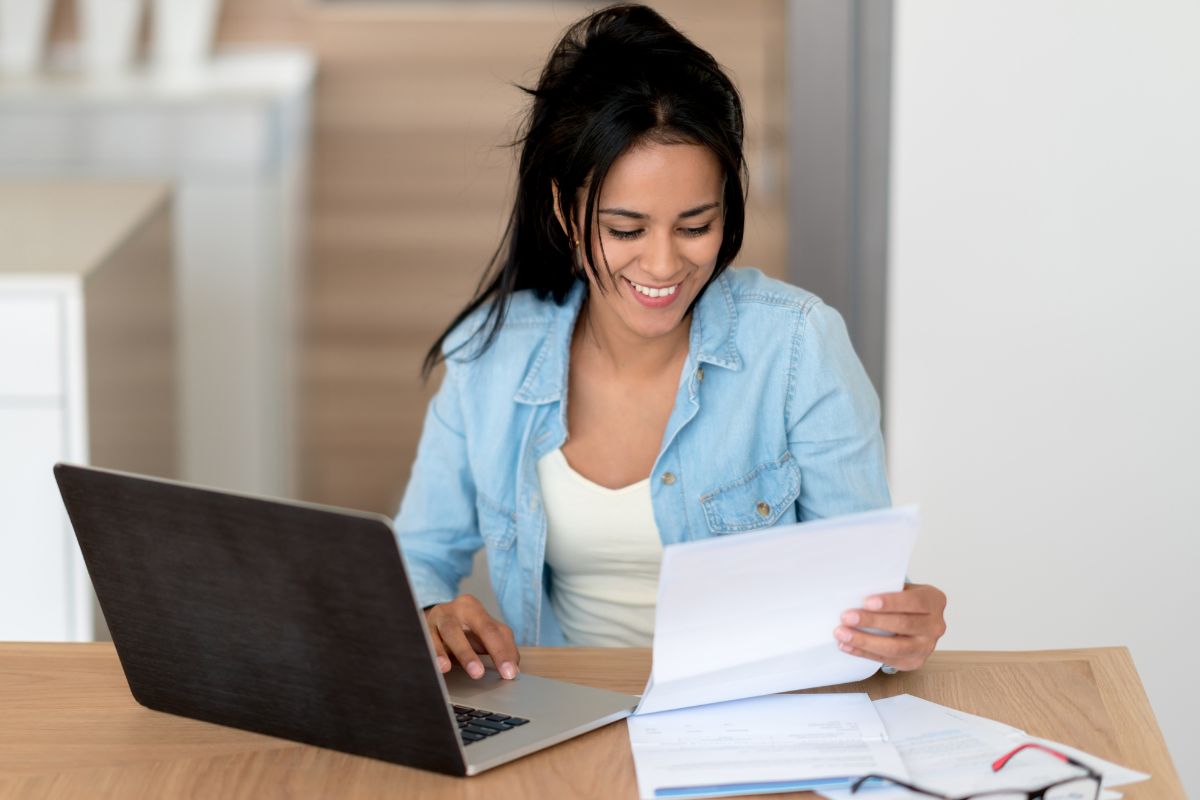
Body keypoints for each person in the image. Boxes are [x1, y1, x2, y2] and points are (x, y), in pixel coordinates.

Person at [395, 3, 946, 683]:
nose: (662, 266)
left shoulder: (798, 348)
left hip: (750, 718)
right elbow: (415, 557)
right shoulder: (489, 355)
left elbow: (866, 599)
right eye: (626, 229)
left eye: (695, 225)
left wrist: (899, 629)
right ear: (567, 211)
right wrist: (430, 611)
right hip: (568, 715)